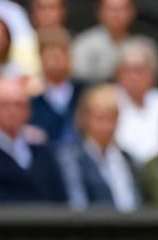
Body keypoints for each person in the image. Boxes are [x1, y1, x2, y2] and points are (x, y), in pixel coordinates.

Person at [0, 75, 67, 205]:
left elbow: (60, 198)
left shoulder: (43, 151)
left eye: (19, 105)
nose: (12, 111)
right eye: (4, 105)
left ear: (29, 110)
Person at [61, 84, 142, 212]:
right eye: (100, 118)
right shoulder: (72, 158)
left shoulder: (128, 160)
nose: (107, 125)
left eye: (112, 118)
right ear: (84, 119)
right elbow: (78, 204)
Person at [113, 36, 158, 163]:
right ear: (117, 73)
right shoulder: (109, 101)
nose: (133, 76)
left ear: (153, 73)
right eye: (127, 70)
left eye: (139, 70)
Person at [71, 0, 144, 82]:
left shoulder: (143, 47)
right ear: (100, 10)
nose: (116, 14)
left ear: (132, 11)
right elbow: (78, 81)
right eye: (111, 9)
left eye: (121, 8)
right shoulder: (83, 44)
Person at [27, 27, 83, 149]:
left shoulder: (84, 92)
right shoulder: (29, 98)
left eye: (61, 53)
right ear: (40, 58)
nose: (55, 60)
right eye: (50, 55)